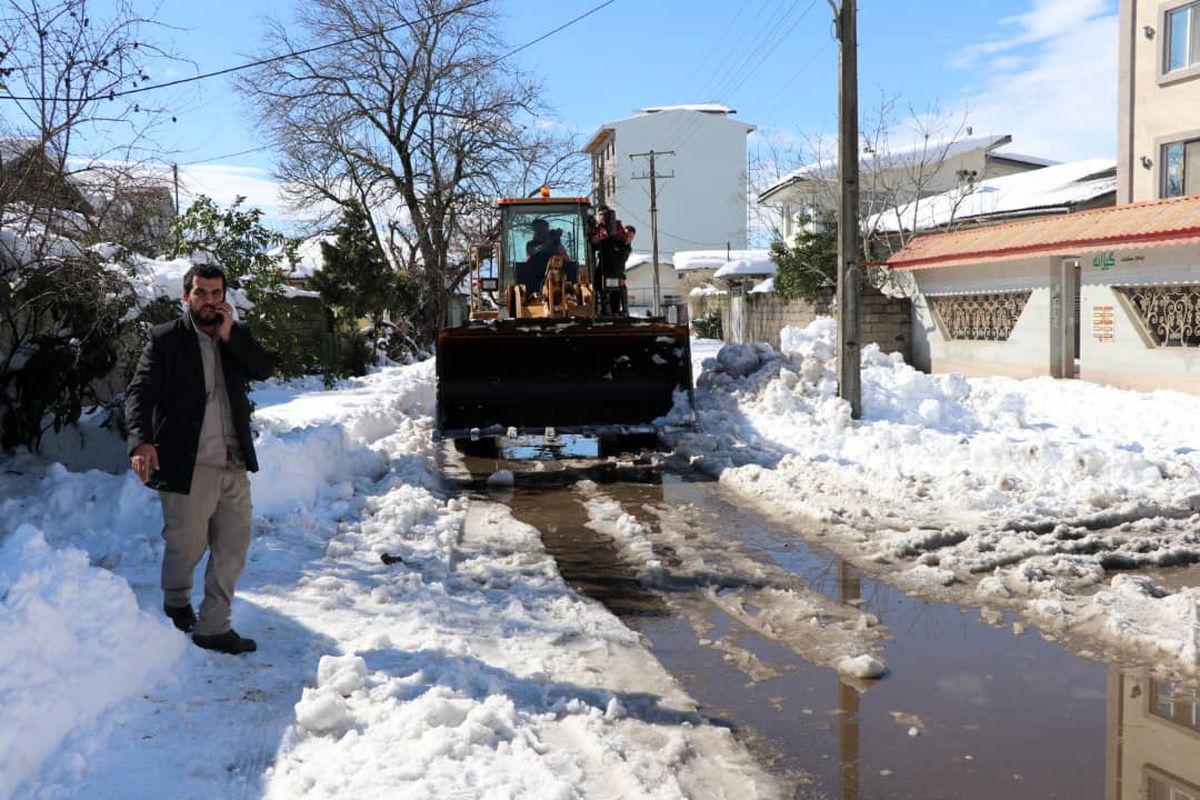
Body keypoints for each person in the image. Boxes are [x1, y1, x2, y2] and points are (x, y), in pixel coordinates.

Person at [125, 262, 276, 655]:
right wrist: (141, 442)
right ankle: (176, 602)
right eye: (201, 293)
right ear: (186, 296)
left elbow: (264, 368)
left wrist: (231, 337)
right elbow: (139, 393)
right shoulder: (166, 340)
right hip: (188, 464)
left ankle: (213, 626)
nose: (210, 301)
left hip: (233, 462)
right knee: (186, 546)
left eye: (216, 293)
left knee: (232, 548)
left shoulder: (232, 337)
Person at [591, 206, 631, 315]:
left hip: (615, 263)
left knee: (618, 286)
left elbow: (625, 243)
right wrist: (595, 242)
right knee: (599, 282)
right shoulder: (597, 228)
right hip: (604, 261)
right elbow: (594, 242)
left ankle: (620, 310)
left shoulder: (617, 227)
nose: (603, 217)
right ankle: (603, 308)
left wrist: (625, 243)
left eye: (604, 214)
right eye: (600, 214)